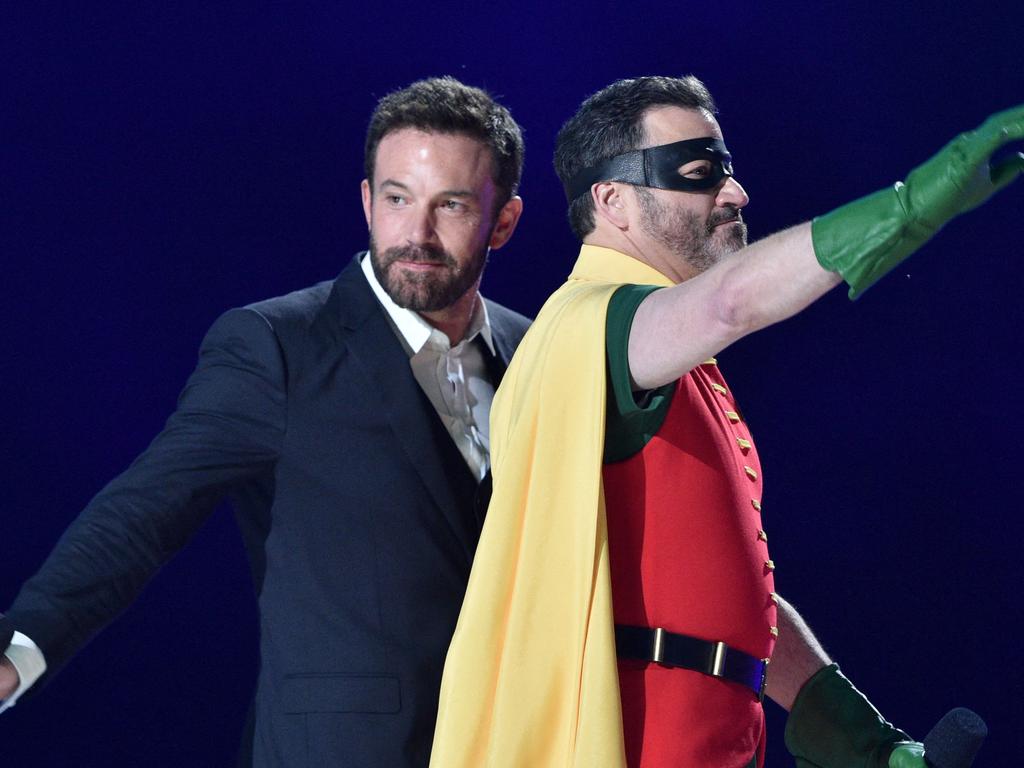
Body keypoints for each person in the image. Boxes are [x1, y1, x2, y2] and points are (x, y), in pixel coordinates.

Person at [429, 76, 1023, 767]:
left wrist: (859, 737)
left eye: (730, 171)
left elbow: (723, 598)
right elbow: (730, 304)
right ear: (612, 199)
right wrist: (910, 207)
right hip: (643, 742)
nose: (736, 194)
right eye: (699, 172)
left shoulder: (658, 357)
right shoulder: (589, 322)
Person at [0, 76, 529, 767]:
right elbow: (146, 510)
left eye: (451, 205)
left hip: (514, 742)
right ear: (367, 200)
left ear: (505, 221)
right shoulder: (276, 345)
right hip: (339, 749)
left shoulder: (533, 350)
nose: (416, 233)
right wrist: (22, 646)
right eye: (397, 199)